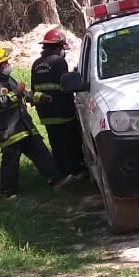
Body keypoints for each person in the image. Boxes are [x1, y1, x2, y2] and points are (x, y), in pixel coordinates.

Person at [0, 47, 73, 199]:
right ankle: (8, 193)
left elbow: (25, 95)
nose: (8, 65)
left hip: (24, 127)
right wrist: (17, 92)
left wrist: (41, 98)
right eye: (5, 63)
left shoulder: (9, 80)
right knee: (10, 164)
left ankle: (57, 180)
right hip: (9, 133)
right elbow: (2, 102)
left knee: (41, 153)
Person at [30, 28, 85, 178]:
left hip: (46, 114)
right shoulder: (59, 61)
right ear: (58, 47)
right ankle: (75, 170)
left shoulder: (36, 64)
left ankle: (61, 171)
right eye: (62, 48)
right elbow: (66, 85)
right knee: (70, 142)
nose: (64, 51)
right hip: (63, 111)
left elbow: (34, 90)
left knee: (56, 142)